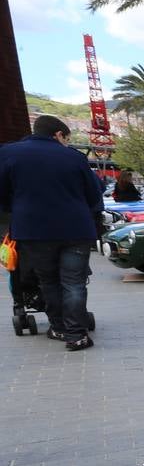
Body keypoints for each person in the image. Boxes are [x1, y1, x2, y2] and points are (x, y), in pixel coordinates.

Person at [0, 115, 102, 351]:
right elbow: (94, 194)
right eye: (66, 138)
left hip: (33, 230)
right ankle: (76, 334)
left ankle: (58, 327)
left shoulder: (8, 153)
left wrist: (15, 208)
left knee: (49, 281)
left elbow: (3, 193)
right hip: (76, 228)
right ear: (58, 135)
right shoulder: (74, 157)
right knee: (74, 282)